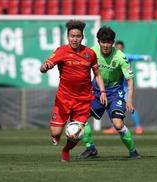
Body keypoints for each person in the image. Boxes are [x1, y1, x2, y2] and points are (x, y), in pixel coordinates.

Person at [40, 20, 107, 162]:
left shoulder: (90, 53)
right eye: (72, 36)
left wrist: (102, 92)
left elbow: (98, 74)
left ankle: (66, 150)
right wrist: (44, 68)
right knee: (55, 132)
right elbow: (46, 66)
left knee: (76, 134)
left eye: (77, 36)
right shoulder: (61, 51)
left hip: (83, 100)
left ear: (82, 37)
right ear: (67, 36)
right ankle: (56, 137)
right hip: (63, 98)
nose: (74, 39)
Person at [80, 26, 141, 159]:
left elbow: (130, 80)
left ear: (112, 42)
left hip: (114, 93)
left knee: (118, 124)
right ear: (98, 41)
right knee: (80, 118)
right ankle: (90, 148)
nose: (106, 45)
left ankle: (133, 152)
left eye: (109, 42)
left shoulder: (120, 57)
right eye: (103, 41)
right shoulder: (91, 52)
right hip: (95, 92)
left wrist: (129, 100)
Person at [102, 40, 145, 135]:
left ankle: (138, 127)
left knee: (130, 106)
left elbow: (135, 57)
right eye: (118, 48)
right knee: (112, 106)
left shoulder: (125, 57)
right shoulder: (112, 57)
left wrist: (145, 57)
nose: (119, 50)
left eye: (121, 48)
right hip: (116, 86)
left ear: (123, 49)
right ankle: (113, 127)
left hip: (125, 86)